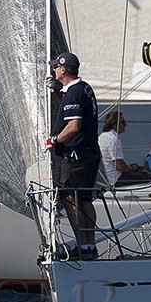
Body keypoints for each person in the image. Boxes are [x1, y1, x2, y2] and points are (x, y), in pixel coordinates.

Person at [47, 52, 100, 259]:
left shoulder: (73, 93)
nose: (53, 70)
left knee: (70, 198)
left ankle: (83, 246)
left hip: (75, 155)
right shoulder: (84, 88)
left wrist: (53, 140)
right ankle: (89, 246)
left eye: (55, 67)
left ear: (63, 69)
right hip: (89, 152)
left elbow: (74, 126)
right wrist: (58, 93)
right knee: (85, 199)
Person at [98, 111, 151, 187]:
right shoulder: (114, 139)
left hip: (107, 178)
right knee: (146, 176)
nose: (126, 125)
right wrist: (131, 170)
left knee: (138, 168)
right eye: (123, 122)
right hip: (116, 179)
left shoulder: (101, 137)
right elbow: (119, 165)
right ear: (114, 125)